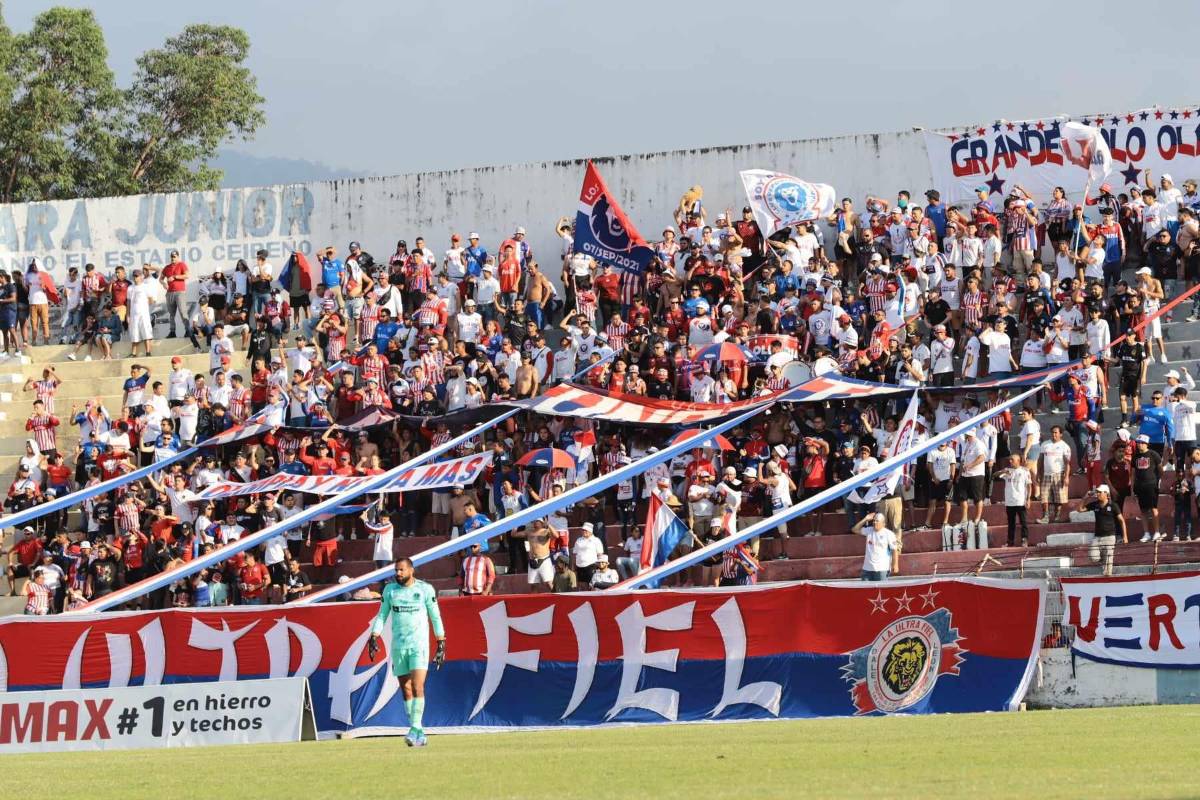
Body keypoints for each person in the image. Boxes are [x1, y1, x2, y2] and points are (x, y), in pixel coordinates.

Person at [366, 558, 446, 748]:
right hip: (398, 647)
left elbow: (435, 616)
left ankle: (415, 729)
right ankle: (417, 732)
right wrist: (374, 636)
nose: (398, 574)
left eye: (401, 570)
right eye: (396, 570)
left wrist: (441, 642)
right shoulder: (390, 591)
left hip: (419, 645)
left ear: (411, 570)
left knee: (418, 686)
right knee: (406, 689)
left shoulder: (425, 590)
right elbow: (382, 614)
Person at [1075, 485, 1126, 576]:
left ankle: (1107, 578)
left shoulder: (1113, 505)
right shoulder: (1095, 504)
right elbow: (1079, 509)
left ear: (1106, 494)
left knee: (1108, 563)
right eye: (1097, 492)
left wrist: (1125, 536)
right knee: (1093, 557)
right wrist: (1085, 498)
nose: (1098, 494)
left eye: (1100, 492)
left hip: (1110, 536)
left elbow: (1121, 520)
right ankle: (1103, 558)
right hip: (1097, 537)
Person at [995, 454, 1032, 547]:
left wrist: (1028, 499)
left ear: (1018, 460)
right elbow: (994, 475)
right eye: (1010, 459)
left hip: (1020, 501)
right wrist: (1003, 471)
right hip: (1009, 501)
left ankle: (1024, 540)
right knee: (1011, 523)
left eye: (1012, 459)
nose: (1010, 461)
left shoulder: (1024, 471)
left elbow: (1029, 486)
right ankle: (1010, 541)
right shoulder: (1007, 470)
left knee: (1023, 522)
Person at [852, 512, 899, 581]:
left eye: (877, 521)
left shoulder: (889, 534)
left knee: (881, 590)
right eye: (874, 520)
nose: (874, 522)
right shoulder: (869, 530)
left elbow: (894, 550)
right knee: (866, 591)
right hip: (867, 568)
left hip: (882, 568)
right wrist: (865, 519)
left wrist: (895, 565)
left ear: (883, 523)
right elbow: (854, 530)